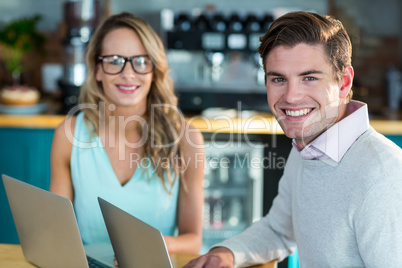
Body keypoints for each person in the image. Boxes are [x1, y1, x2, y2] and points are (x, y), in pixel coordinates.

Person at [184, 11, 402, 267]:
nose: (291, 97)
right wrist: (225, 254)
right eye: (278, 79)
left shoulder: (384, 177)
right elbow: (279, 229)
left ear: (343, 82)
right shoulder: (309, 147)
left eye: (309, 78)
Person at [50, 12, 205, 254]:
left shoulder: (186, 140)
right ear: (97, 70)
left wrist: (148, 247)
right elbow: (57, 231)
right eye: (114, 60)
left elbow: (193, 240)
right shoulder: (68, 135)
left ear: (154, 71)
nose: (128, 73)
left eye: (141, 61)